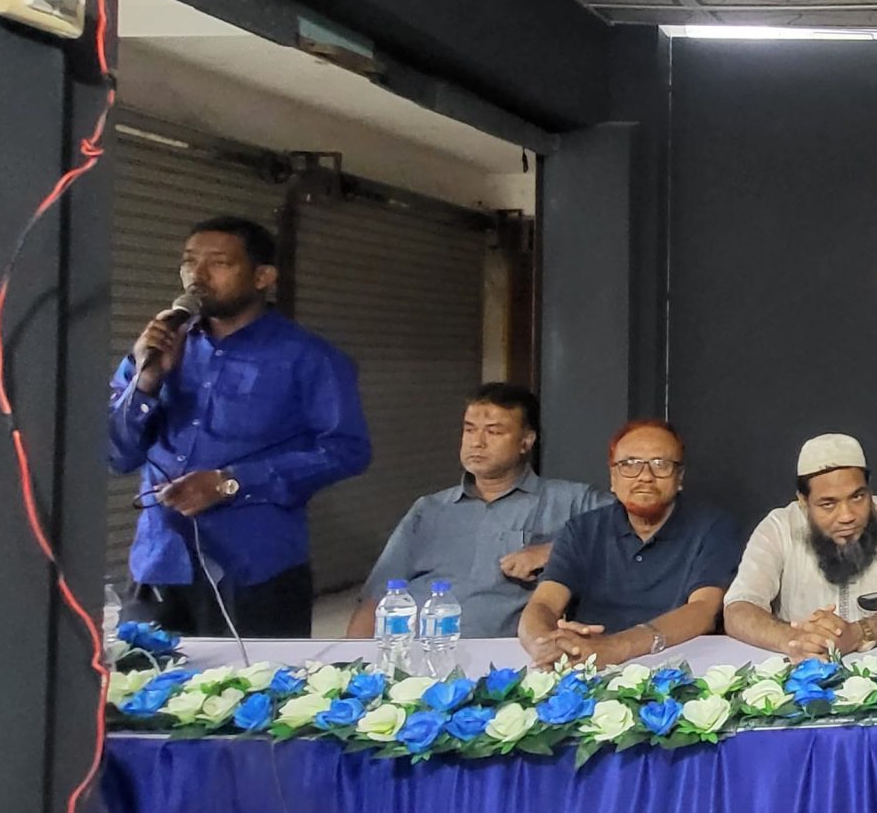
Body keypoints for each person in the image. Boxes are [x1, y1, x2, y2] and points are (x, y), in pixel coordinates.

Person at [106, 216, 370, 637]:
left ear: (263, 277)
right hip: (159, 562)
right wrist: (147, 380)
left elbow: (347, 450)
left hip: (255, 569)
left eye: (219, 263)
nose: (197, 276)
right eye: (189, 262)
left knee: (253, 681)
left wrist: (231, 483)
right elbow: (116, 455)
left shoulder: (309, 357)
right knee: (139, 679)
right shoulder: (158, 349)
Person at [347, 384, 610, 640]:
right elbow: (378, 596)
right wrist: (352, 659)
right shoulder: (429, 509)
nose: (477, 442)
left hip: (504, 656)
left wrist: (551, 551)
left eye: (493, 431)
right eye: (470, 430)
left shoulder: (570, 500)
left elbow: (628, 530)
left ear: (526, 441)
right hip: (419, 648)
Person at [516, 419, 745, 666]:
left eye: (660, 464)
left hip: (680, 666)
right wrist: (545, 644)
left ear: (679, 477)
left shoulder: (713, 528)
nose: (645, 476)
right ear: (613, 477)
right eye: (630, 464)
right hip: (585, 665)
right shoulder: (582, 530)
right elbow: (543, 603)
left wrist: (616, 647)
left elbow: (703, 610)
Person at [722, 434, 877, 660]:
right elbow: (738, 609)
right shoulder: (779, 527)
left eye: (857, 497)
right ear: (803, 501)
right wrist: (798, 640)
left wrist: (861, 632)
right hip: (804, 671)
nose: (846, 516)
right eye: (828, 504)